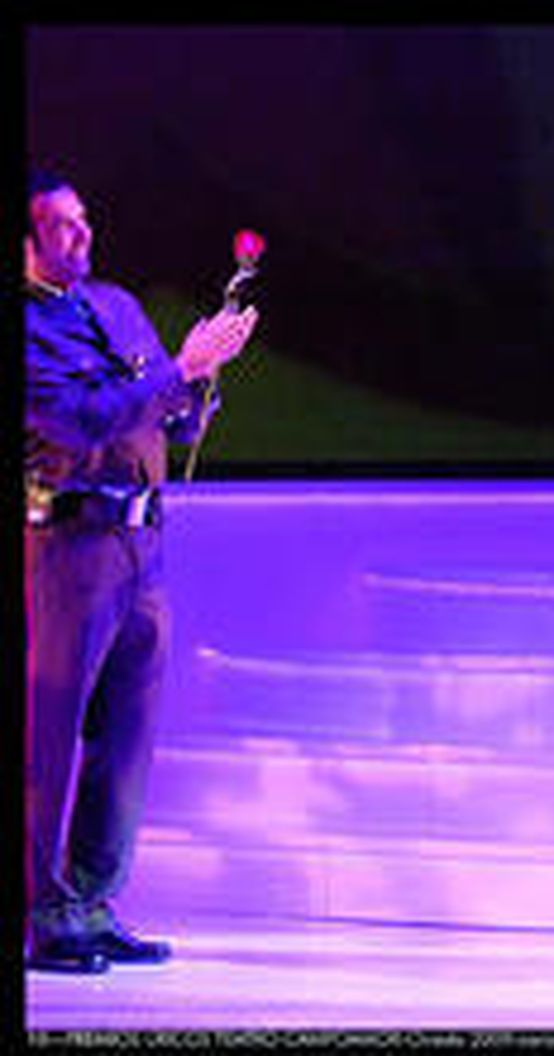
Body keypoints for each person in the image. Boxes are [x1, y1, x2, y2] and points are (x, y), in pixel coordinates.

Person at [23, 169, 259, 973]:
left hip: (141, 547)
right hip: (69, 547)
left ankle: (91, 899)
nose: (82, 234)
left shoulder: (116, 304)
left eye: (84, 219)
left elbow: (165, 396)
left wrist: (198, 385)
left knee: (125, 739)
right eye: (61, 226)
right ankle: (43, 911)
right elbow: (78, 419)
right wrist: (177, 372)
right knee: (48, 736)